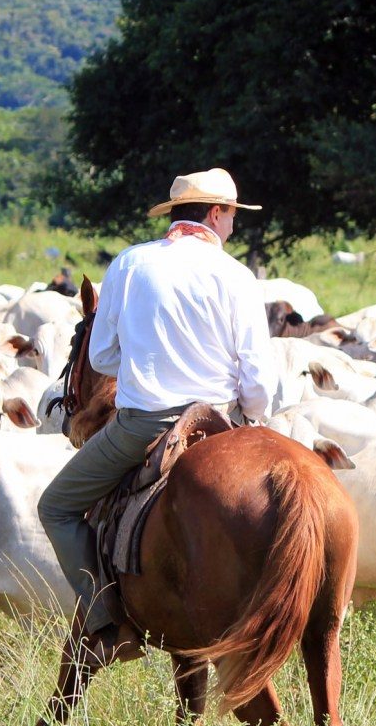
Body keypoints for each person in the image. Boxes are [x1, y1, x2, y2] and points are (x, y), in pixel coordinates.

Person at [37, 167, 277, 662]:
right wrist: (250, 418)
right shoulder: (237, 276)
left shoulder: (130, 264)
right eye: (233, 215)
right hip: (221, 424)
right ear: (215, 213)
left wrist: (148, 356)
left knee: (56, 507)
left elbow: (101, 358)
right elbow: (258, 382)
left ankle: (107, 622)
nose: (233, 225)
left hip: (145, 425)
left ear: (176, 216)